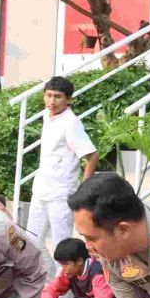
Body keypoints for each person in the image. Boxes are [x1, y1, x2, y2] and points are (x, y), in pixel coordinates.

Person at [27, 77, 98, 269]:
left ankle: (63, 293)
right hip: (41, 190)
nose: (51, 101)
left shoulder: (71, 123)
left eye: (57, 97)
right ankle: (46, 284)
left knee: (62, 247)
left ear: (69, 100)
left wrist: (84, 188)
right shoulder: (46, 115)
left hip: (61, 194)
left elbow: (91, 155)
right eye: (48, 96)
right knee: (31, 242)